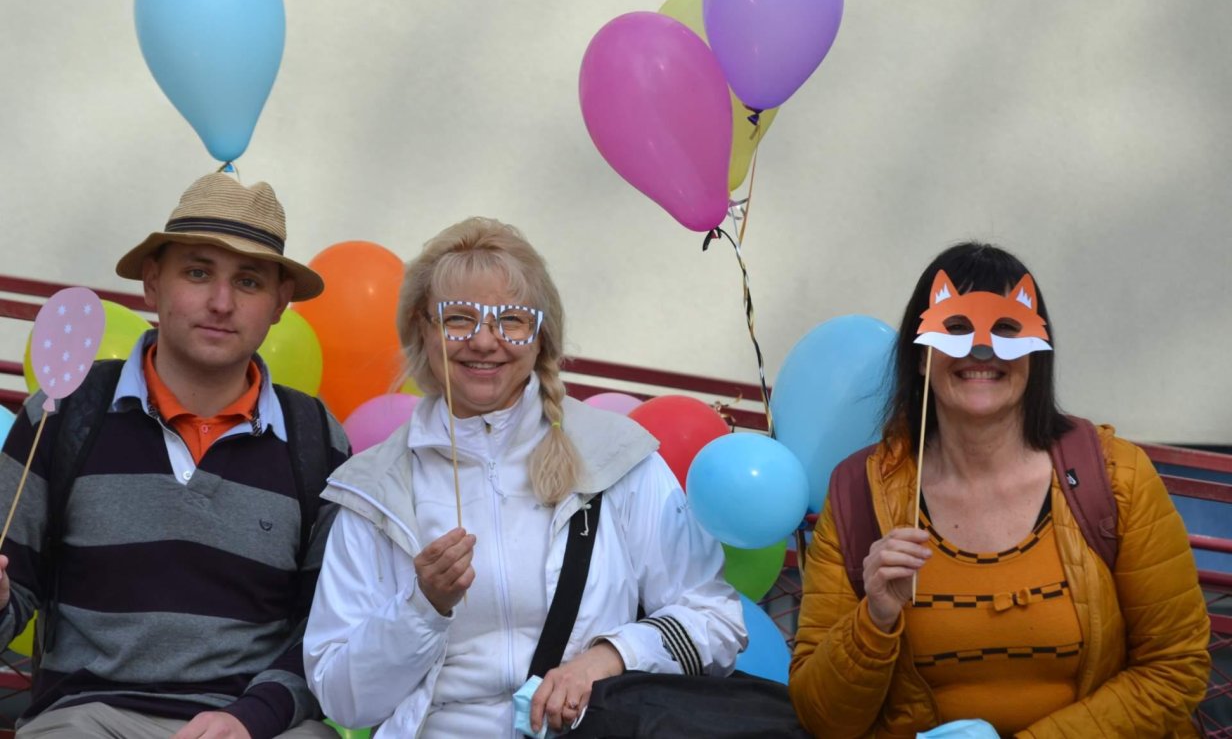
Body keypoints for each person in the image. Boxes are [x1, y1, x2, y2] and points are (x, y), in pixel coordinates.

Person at [304, 217, 746, 738]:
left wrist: (609, 658)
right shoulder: (378, 487)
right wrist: (421, 607)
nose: (483, 341)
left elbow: (716, 620)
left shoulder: (614, 458)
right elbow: (342, 698)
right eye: (458, 318)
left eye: (511, 321)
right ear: (423, 329)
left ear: (540, 337)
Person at [789, 242, 1210, 738]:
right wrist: (874, 620)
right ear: (921, 356)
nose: (981, 349)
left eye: (1007, 328)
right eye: (956, 328)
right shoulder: (860, 492)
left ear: (1036, 352)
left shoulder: (1116, 477)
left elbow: (1174, 668)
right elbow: (823, 719)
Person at [0, 172, 349, 738]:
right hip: (89, 718)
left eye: (249, 281)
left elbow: (329, 629)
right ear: (152, 283)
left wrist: (251, 718)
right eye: (197, 272)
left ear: (280, 303)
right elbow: (9, 600)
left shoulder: (315, 438)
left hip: (254, 725)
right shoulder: (65, 412)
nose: (221, 303)